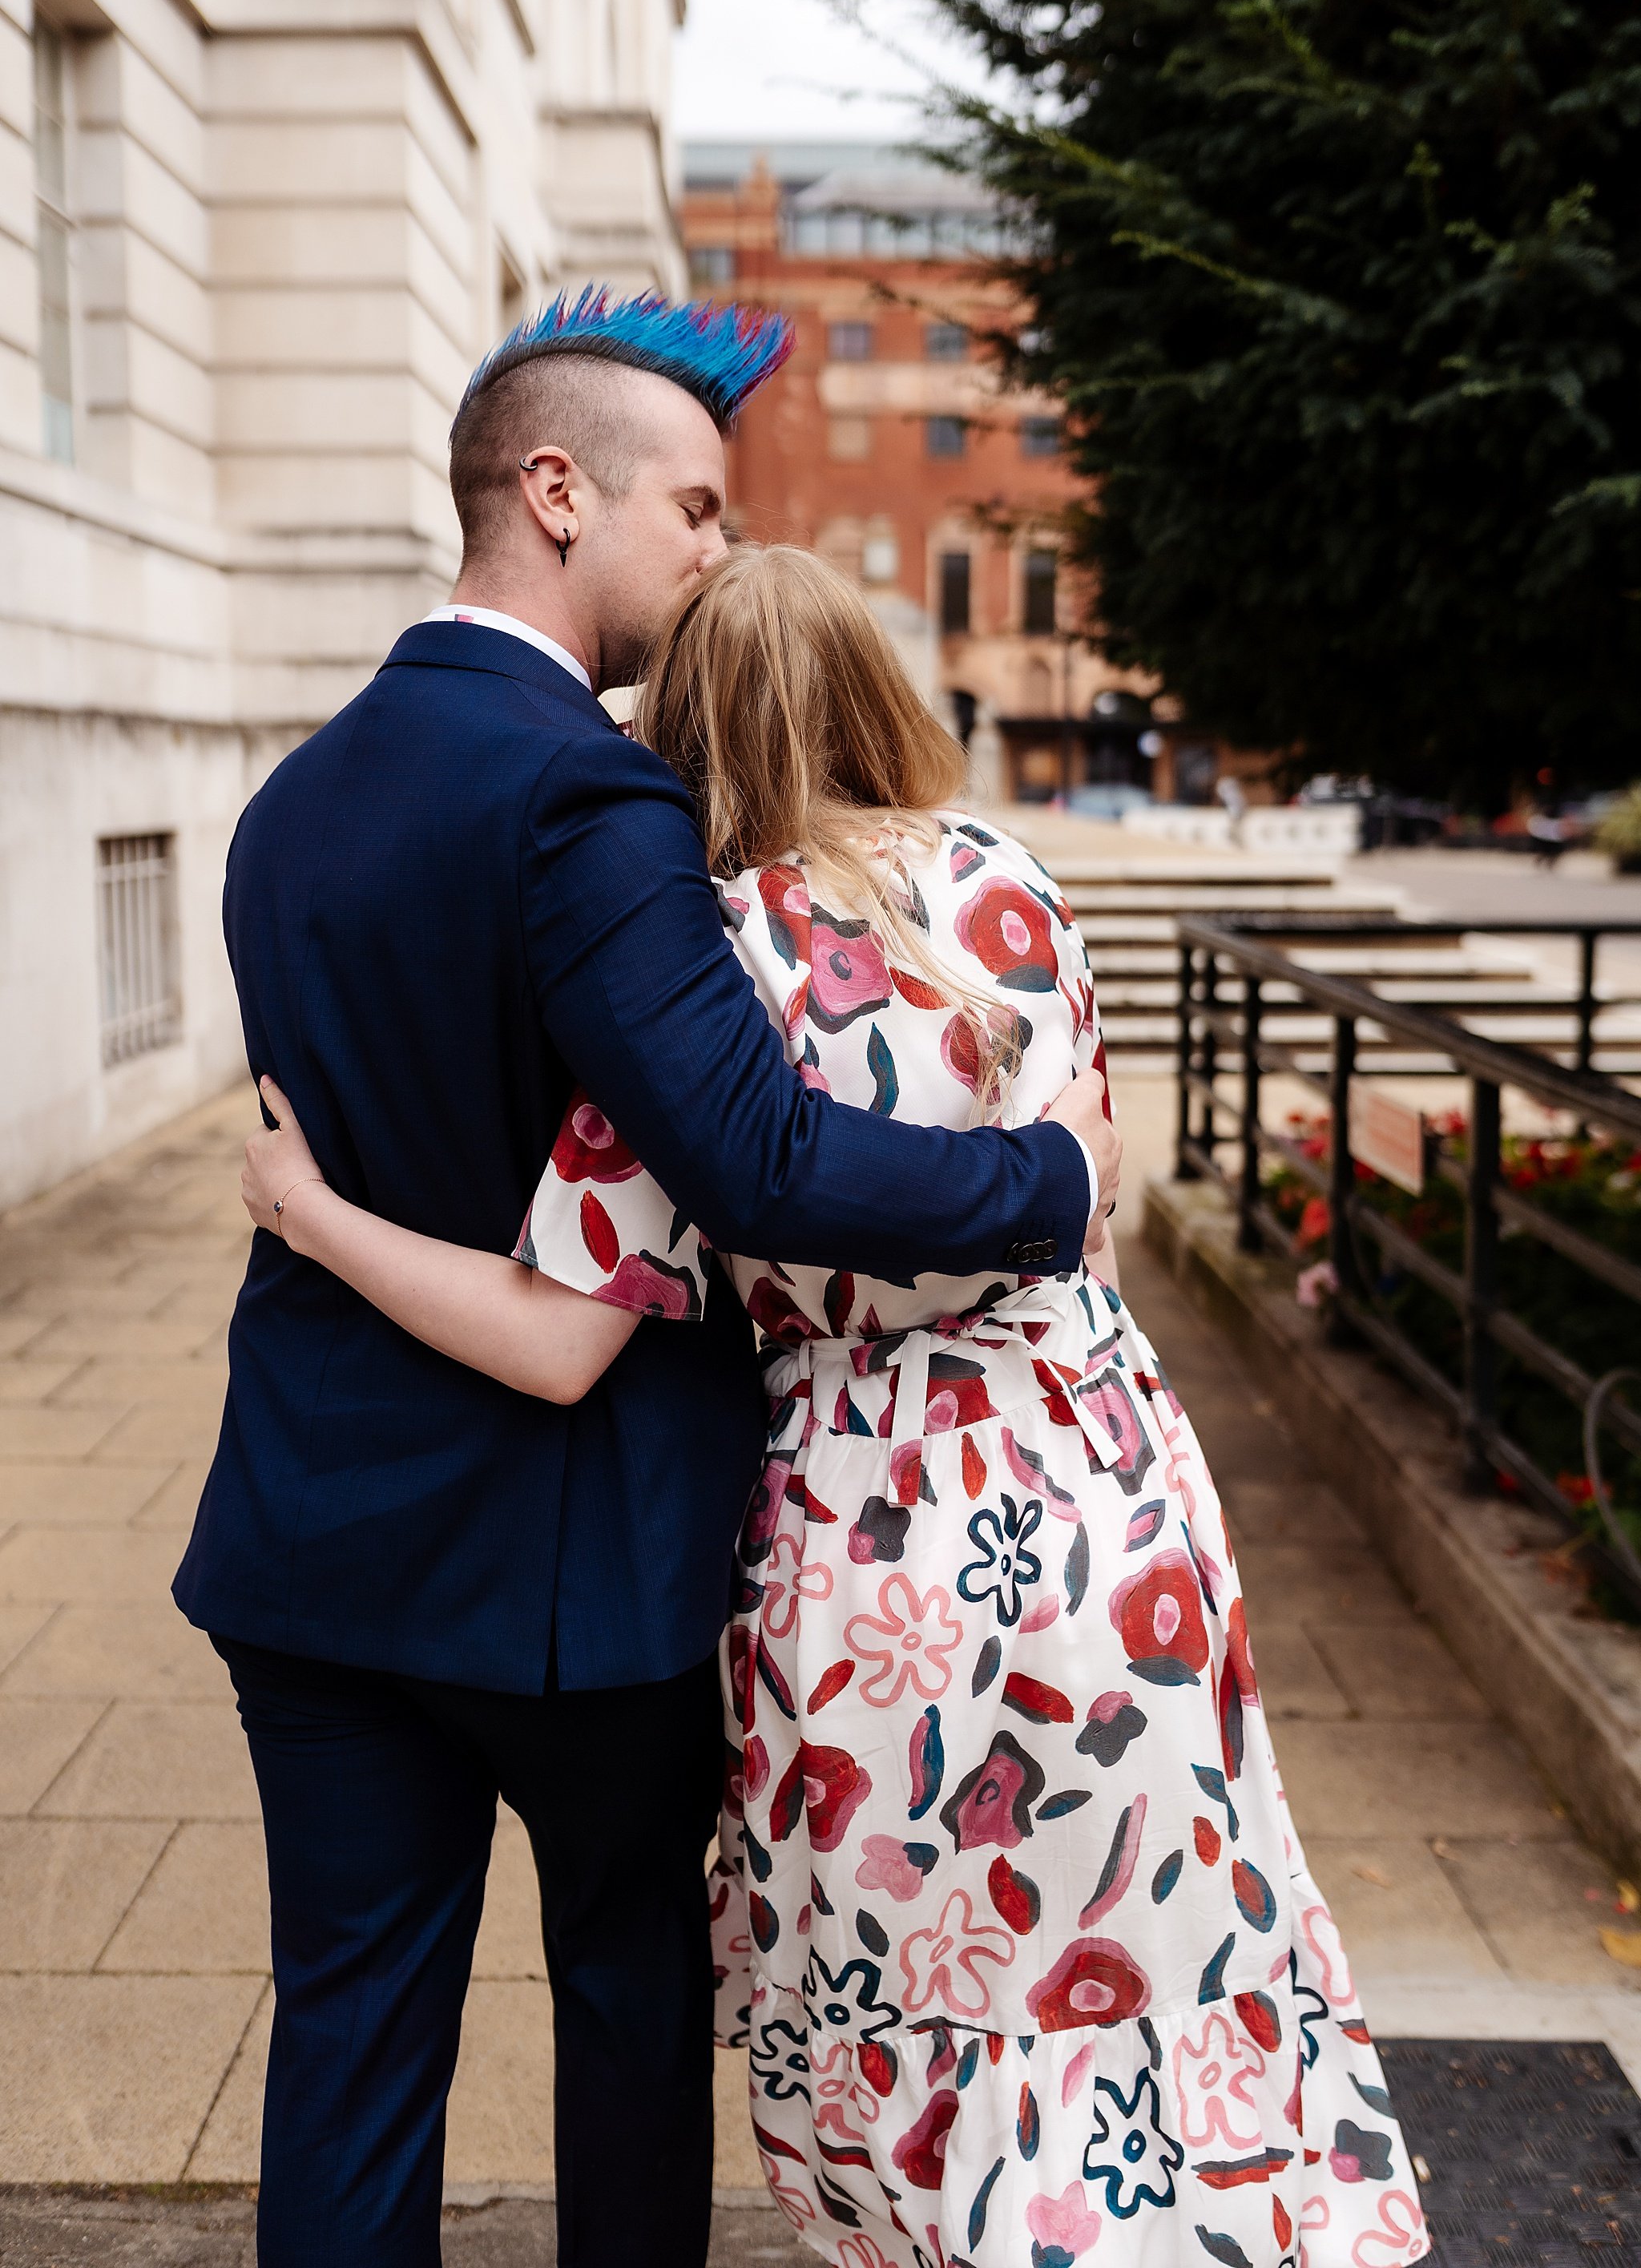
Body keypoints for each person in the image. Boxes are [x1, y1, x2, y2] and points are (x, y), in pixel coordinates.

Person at [241, 544, 1428, 2268]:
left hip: (872, 1523)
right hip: (1107, 1479)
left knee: (943, 2001)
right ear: (881, 688)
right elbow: (1093, 1171)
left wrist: (313, 1213)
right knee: (1153, 1946)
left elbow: (562, 1335)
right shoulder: (1018, 885)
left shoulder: (701, 960)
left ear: (682, 729)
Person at [174, 291, 1119, 2268]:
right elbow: (753, 1155)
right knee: (620, 2012)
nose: (712, 553)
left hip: (313, 1542)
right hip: (569, 1576)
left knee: (348, 2050)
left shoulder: (285, 809)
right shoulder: (587, 801)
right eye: (689, 507)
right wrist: (1041, 1183)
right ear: (552, 492)